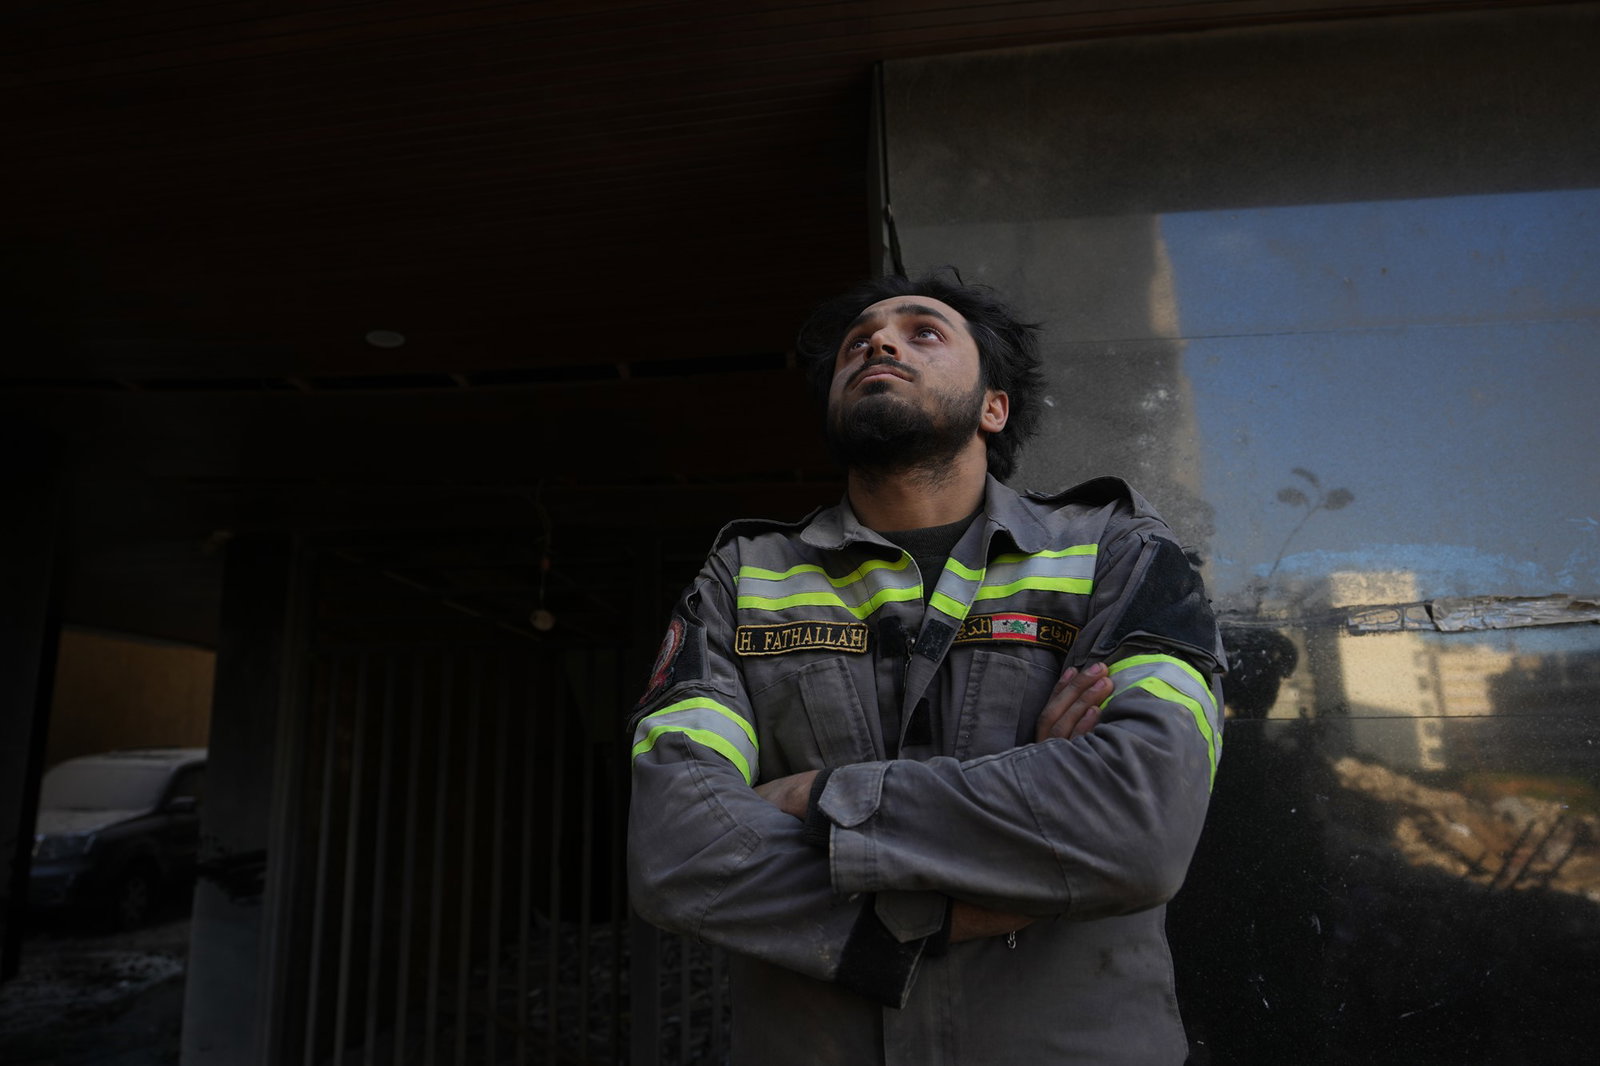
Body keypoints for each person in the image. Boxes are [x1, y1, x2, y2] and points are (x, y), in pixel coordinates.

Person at [627, 270, 1225, 1064]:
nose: (879, 342)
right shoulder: (743, 577)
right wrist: (957, 900)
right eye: (858, 342)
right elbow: (677, 850)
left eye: (924, 332)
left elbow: (1138, 823)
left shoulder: (1114, 550)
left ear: (993, 406)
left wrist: (815, 796)